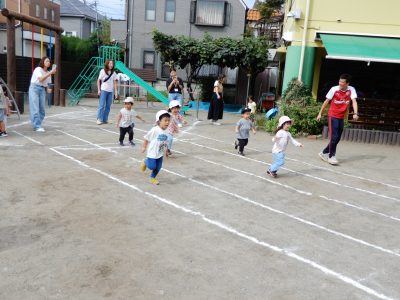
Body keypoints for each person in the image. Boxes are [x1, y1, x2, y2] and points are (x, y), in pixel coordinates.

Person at [316, 74, 359, 165]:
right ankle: (331, 156)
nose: (340, 83)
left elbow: (354, 101)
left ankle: (324, 152)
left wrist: (355, 113)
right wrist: (320, 113)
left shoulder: (351, 89)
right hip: (332, 115)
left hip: (341, 117)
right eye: (339, 81)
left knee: (337, 138)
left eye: (342, 82)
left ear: (347, 83)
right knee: (334, 137)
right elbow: (326, 102)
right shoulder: (334, 89)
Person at [140, 110, 170, 185]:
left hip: (160, 153)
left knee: (158, 167)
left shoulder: (167, 131)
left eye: (168, 120)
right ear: (159, 121)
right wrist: (144, 147)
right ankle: (145, 162)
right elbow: (146, 138)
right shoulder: (155, 130)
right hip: (152, 153)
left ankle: (152, 178)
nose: (167, 122)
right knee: (152, 166)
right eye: (165, 120)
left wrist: (166, 151)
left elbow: (166, 142)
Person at [28, 57, 56, 132]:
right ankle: (37, 126)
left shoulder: (48, 73)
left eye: (49, 61)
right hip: (34, 88)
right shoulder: (38, 69)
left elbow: (47, 84)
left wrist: (48, 89)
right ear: (43, 62)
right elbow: (40, 79)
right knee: (35, 108)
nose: (48, 62)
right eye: (47, 61)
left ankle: (38, 124)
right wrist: (50, 72)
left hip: (42, 89)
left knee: (42, 110)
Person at [97, 59, 118, 125]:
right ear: (107, 64)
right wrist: (99, 90)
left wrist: (116, 92)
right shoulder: (102, 71)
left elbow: (115, 82)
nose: (111, 65)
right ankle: (99, 119)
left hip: (110, 91)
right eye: (110, 63)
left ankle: (105, 119)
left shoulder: (113, 73)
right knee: (102, 105)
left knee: (108, 106)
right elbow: (98, 80)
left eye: (112, 64)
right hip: (103, 90)